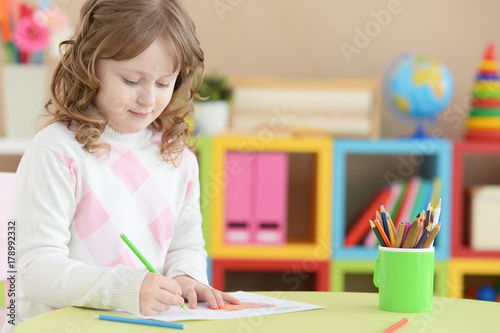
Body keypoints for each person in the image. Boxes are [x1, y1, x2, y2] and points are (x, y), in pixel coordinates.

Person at [2, 0, 239, 331]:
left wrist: (187, 278)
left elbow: (185, 246)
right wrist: (125, 288)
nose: (148, 99)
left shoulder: (177, 156)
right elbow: (34, 270)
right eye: (131, 80)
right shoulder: (56, 151)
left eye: (163, 83)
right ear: (89, 66)